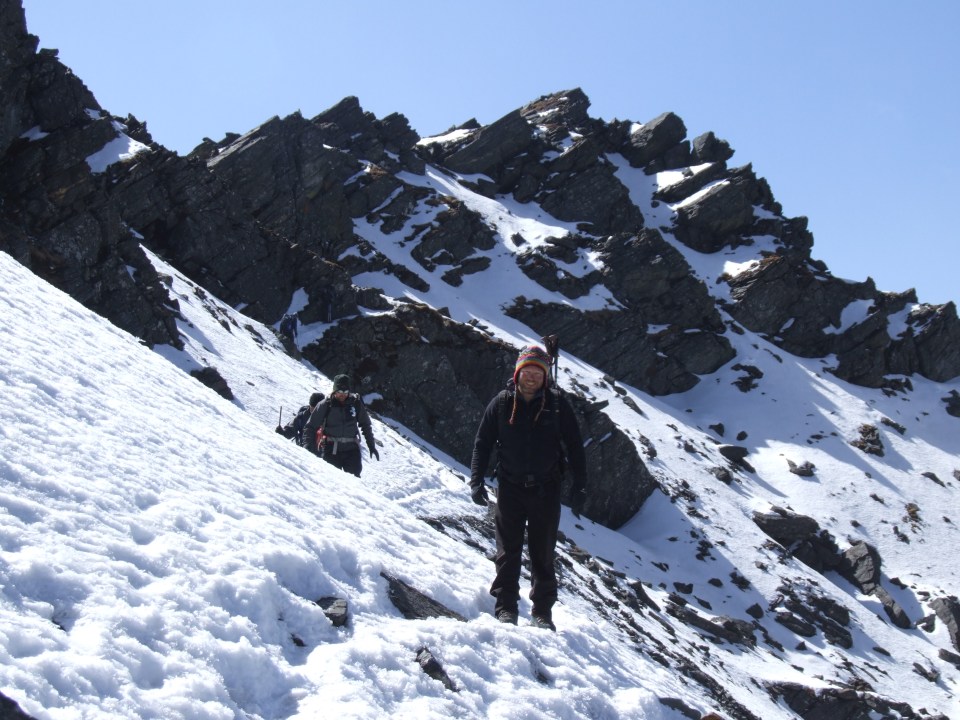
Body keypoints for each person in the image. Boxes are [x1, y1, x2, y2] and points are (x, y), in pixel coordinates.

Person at [470, 344, 587, 631]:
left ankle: (542, 613)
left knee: (542, 552)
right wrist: (476, 479)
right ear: (518, 372)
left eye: (538, 371)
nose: (532, 376)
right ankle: (506, 608)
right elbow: (482, 443)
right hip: (510, 488)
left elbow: (575, 446)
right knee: (507, 552)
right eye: (527, 371)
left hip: (547, 490)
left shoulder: (558, 404)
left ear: (545, 376)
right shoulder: (500, 403)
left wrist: (581, 485)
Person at [304, 374, 379, 477]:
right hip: (331, 450)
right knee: (333, 481)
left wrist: (371, 445)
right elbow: (311, 426)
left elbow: (365, 424)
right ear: (334, 391)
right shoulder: (325, 404)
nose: (342, 395)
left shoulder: (355, 403)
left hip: (352, 450)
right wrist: (308, 446)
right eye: (339, 392)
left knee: (355, 482)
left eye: (345, 392)